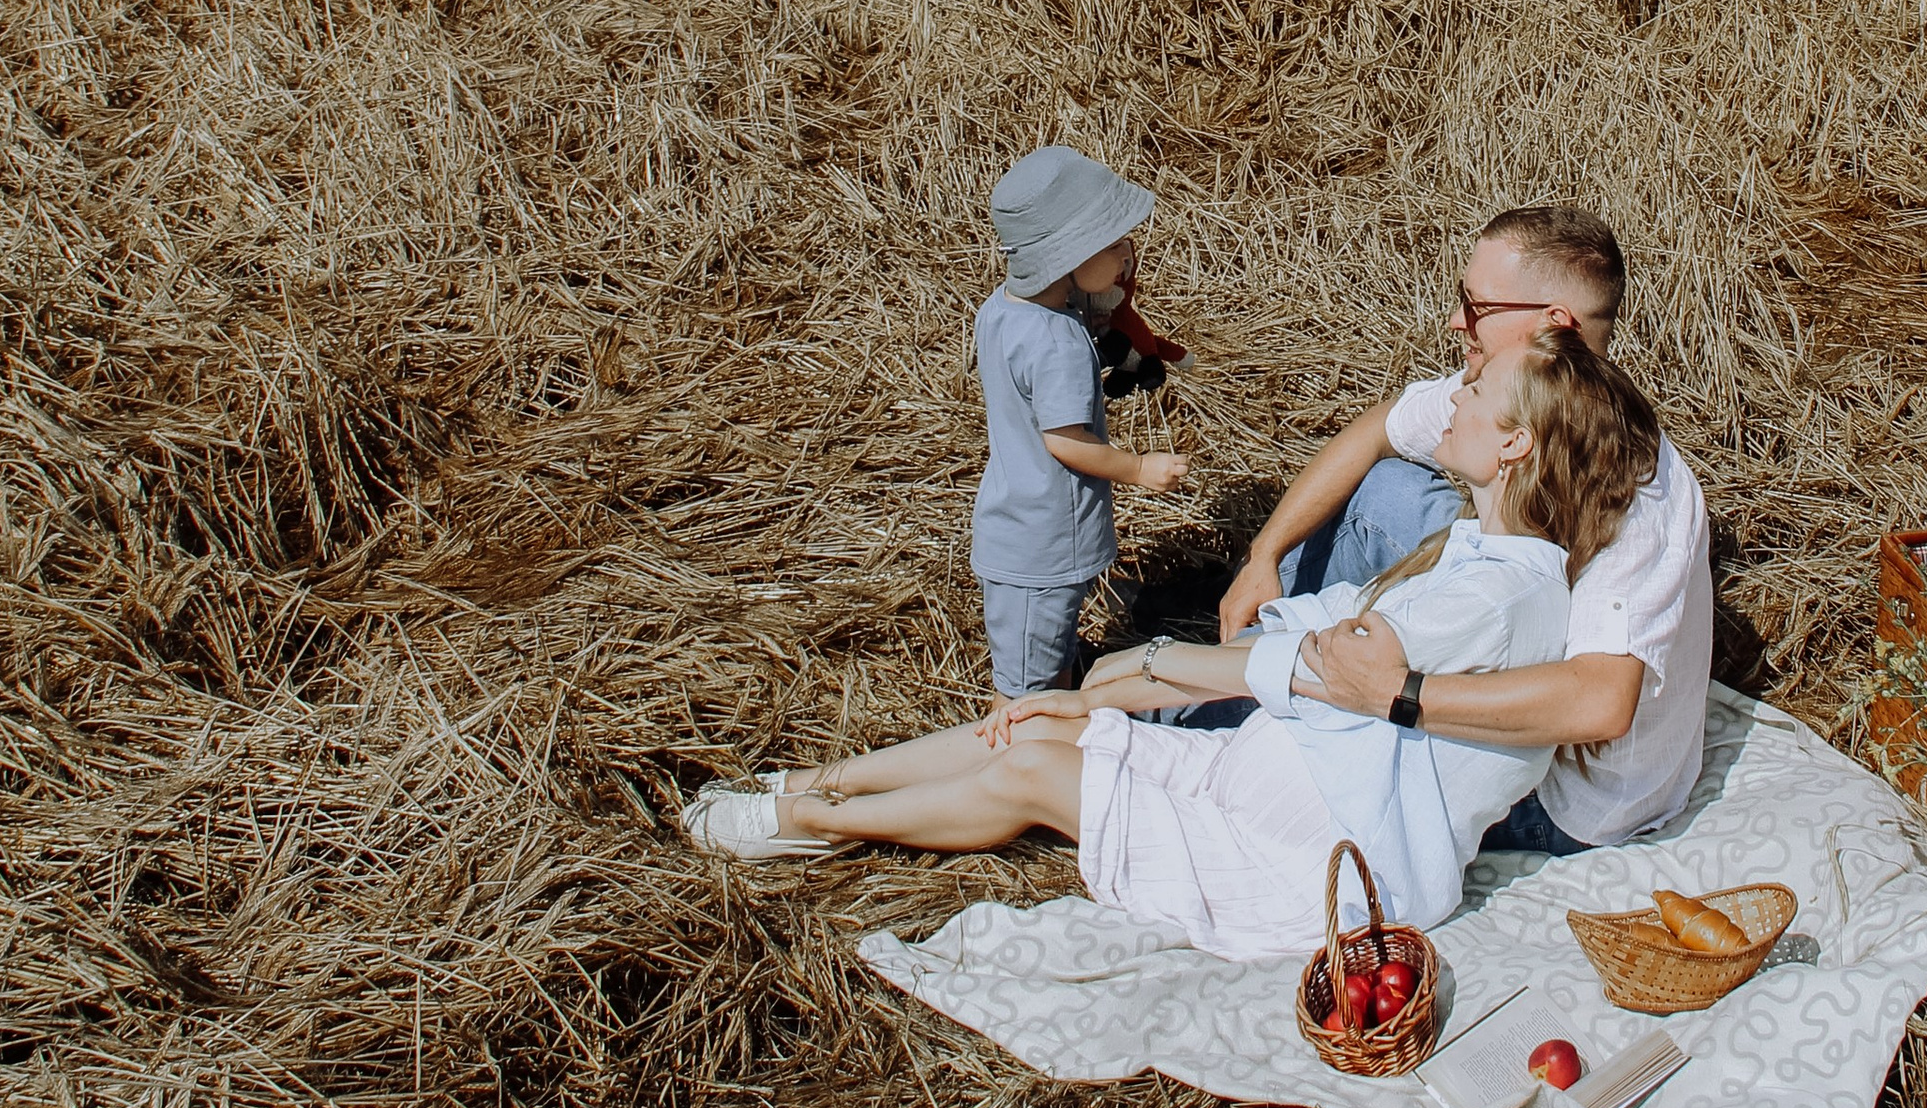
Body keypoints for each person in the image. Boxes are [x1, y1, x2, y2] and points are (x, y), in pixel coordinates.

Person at [679, 331, 1658, 958]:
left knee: (1035, 767)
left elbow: (1308, 668)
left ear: (1516, 445)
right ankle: (809, 785)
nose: (1451, 399)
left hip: (1309, 861)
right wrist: (1112, 689)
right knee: (1035, 730)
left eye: (1475, 392)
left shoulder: (1492, 597)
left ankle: (805, 824)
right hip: (1274, 784)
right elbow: (1316, 636)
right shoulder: (1473, 555)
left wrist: (1131, 679)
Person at [1204, 202, 1711, 853]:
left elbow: (1600, 704)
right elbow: (1378, 428)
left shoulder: (1639, 490)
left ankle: (1207, 712)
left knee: (1319, 735)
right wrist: (1263, 556)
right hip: (1513, 625)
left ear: (1553, 324)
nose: (1456, 321)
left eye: (1478, 307)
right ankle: (1250, 638)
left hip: (1563, 792)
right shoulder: (1513, 390)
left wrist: (1399, 694)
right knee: (1388, 491)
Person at [969, 142, 1187, 697]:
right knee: (1026, 688)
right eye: (1114, 246)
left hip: (1015, 518)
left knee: (1053, 650)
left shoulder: (1001, 311)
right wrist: (1139, 468)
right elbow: (1065, 440)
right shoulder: (1059, 343)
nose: (1127, 257)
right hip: (1043, 546)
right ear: (1071, 254)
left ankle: (1057, 705)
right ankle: (1020, 762)